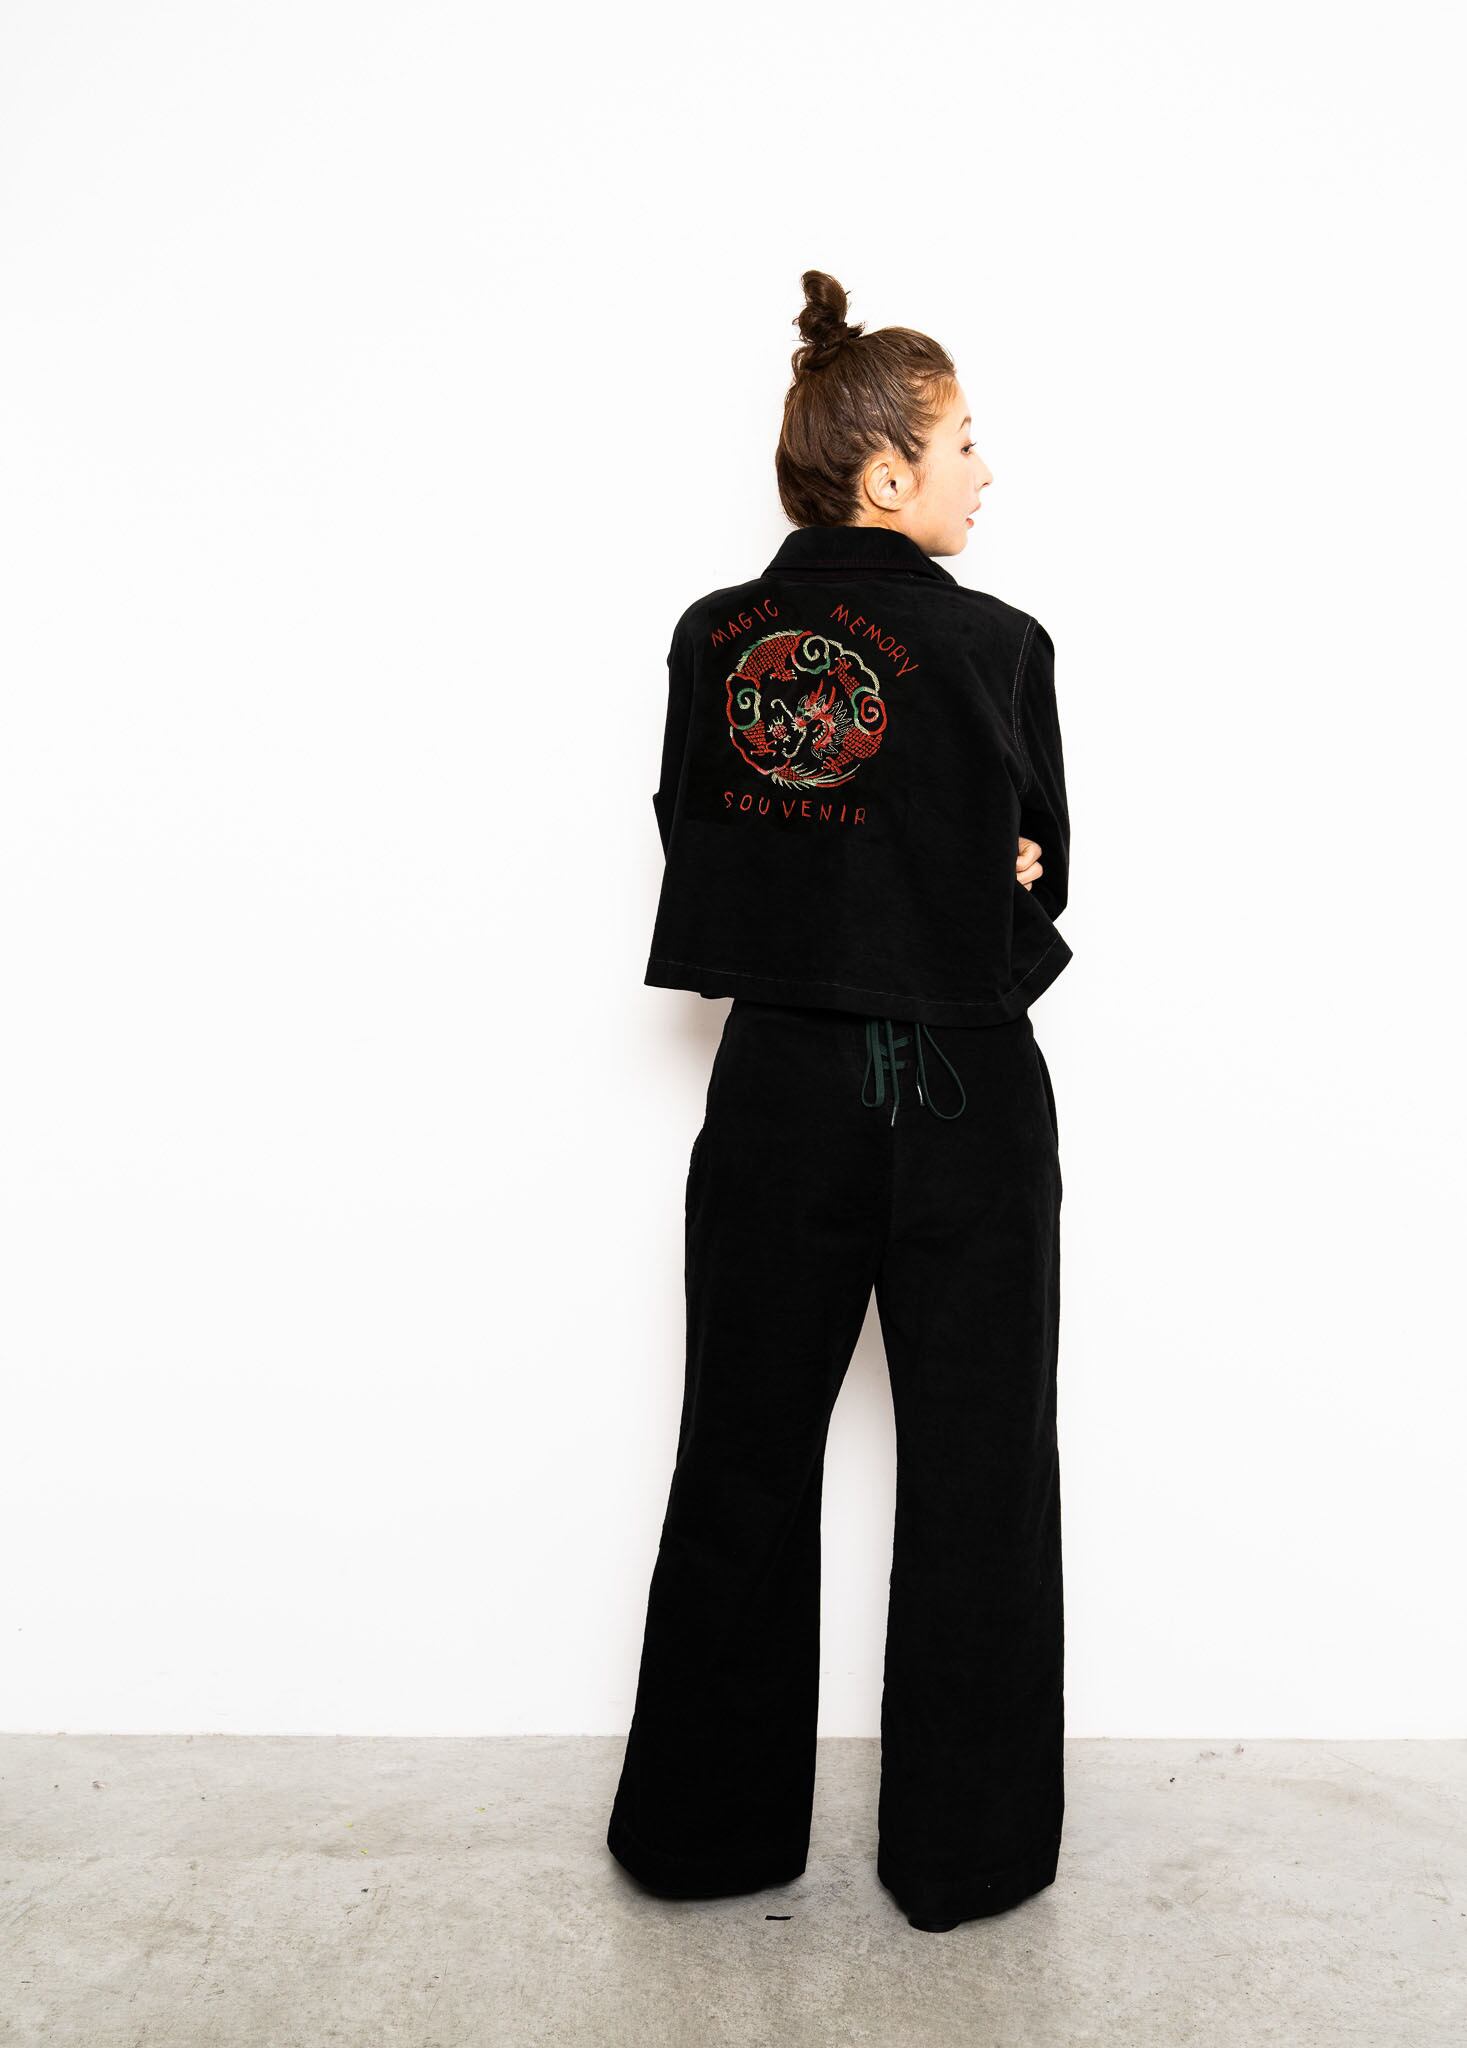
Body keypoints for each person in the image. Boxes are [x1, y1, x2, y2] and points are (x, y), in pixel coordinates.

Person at [606, 269, 1072, 1935]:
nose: (985, 471)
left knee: (739, 1451)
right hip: (963, 1094)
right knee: (979, 1470)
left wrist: (849, 885)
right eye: (964, 442)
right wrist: (986, 878)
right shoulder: (997, 645)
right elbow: (1037, 895)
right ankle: (967, 1854)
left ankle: (704, 1837)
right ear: (886, 472)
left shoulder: (712, 638)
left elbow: (699, 842)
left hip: (782, 1087)